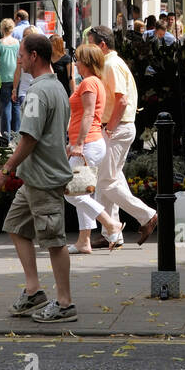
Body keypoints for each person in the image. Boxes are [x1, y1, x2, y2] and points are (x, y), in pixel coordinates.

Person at [0, 32, 78, 323]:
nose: (18, 61)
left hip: (44, 179)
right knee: (16, 225)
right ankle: (33, 291)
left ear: (34, 57)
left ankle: (65, 303)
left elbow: (29, 137)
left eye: (21, 55)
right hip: (34, 179)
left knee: (54, 241)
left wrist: (6, 170)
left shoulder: (39, 92)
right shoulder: (57, 88)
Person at [87, 26, 158, 245]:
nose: (88, 49)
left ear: (102, 45)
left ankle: (146, 215)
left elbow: (121, 100)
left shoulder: (110, 64)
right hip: (117, 126)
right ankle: (112, 233)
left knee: (106, 181)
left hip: (117, 126)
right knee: (110, 178)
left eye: (91, 44)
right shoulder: (112, 63)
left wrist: (109, 128)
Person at [63, 43, 125, 254]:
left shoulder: (89, 83)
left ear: (86, 62)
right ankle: (84, 241)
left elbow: (88, 114)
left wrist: (78, 143)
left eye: (78, 59)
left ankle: (110, 224)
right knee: (82, 192)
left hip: (88, 144)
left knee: (71, 193)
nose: (76, 63)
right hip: (89, 143)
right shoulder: (94, 81)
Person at [0, 19, 20, 135]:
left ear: (2, 29)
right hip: (16, 78)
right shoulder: (18, 43)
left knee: (5, 107)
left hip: (3, 78)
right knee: (16, 106)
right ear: (12, 29)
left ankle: (5, 136)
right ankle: (16, 135)